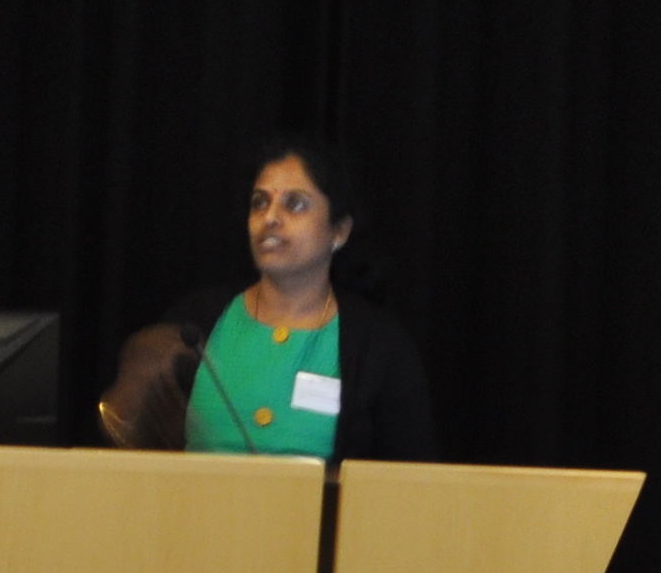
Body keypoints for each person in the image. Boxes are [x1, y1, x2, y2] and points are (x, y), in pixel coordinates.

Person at [95, 136, 438, 461]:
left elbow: (410, 479)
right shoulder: (195, 319)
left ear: (339, 231)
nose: (270, 218)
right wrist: (127, 397)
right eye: (260, 203)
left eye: (295, 204)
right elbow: (125, 447)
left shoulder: (377, 343)